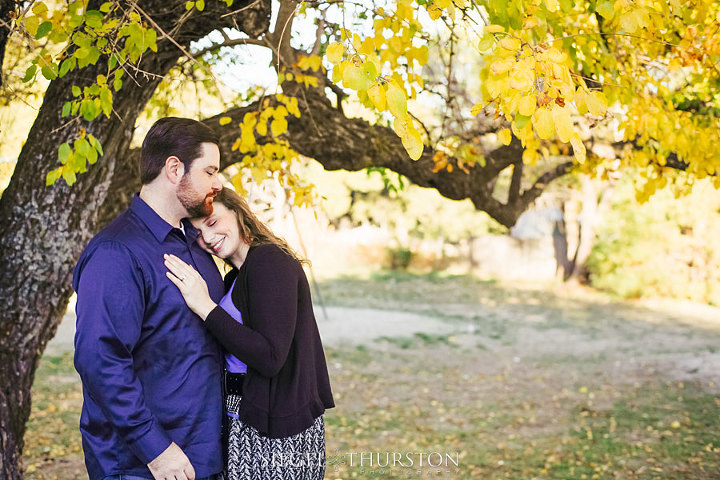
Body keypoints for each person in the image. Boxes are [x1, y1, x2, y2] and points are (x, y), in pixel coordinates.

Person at [73, 117, 226, 480]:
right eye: (210, 171)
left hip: (203, 454)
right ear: (174, 169)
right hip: (143, 466)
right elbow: (100, 360)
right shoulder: (116, 252)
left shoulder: (195, 244)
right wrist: (154, 448)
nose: (218, 183)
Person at [163, 187, 334, 480]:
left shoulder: (270, 262)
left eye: (213, 222)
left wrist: (205, 307)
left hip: (277, 431)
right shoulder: (235, 277)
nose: (208, 238)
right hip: (244, 419)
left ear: (237, 212)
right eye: (198, 234)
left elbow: (270, 357)